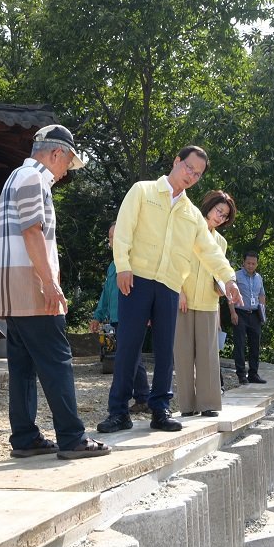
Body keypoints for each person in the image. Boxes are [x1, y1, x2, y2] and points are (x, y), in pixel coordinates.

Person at [97, 146, 241, 434]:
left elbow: (209, 250)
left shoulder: (192, 214)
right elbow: (124, 228)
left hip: (169, 286)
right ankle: (118, 412)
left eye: (198, 174)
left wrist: (229, 279)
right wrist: (123, 265)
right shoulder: (143, 191)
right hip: (136, 279)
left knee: (165, 350)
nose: (191, 175)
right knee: (128, 346)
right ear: (176, 161)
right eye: (189, 167)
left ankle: (160, 410)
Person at [0, 124, 111, 460]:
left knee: (23, 367)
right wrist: (50, 282)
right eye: (67, 165)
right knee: (57, 361)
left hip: (10, 287)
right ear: (57, 153)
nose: (64, 173)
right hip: (32, 285)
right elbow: (32, 232)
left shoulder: (15, 177)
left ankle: (25, 436)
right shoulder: (33, 178)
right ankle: (72, 438)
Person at [174, 190, 236, 417]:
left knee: (209, 355)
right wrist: (178, 291)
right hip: (183, 300)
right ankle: (187, 406)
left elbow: (218, 272)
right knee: (183, 353)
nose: (220, 217)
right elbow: (175, 260)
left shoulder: (221, 241)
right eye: (219, 211)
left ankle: (208, 404)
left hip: (209, 303)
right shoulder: (188, 227)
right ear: (209, 206)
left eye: (225, 215)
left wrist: (221, 288)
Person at [89, 221, 150, 414]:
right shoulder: (112, 266)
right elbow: (106, 293)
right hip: (117, 317)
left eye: (114, 236)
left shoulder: (136, 262)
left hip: (134, 316)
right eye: (109, 237)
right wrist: (97, 316)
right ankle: (142, 397)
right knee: (131, 357)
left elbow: (147, 292)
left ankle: (140, 398)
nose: (111, 241)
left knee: (131, 357)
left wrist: (149, 314)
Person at [230, 251, 267, 384]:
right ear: (243, 263)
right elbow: (230, 295)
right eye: (248, 263)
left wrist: (263, 312)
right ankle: (241, 375)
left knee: (255, 345)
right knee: (240, 344)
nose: (251, 266)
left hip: (255, 314)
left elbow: (262, 295)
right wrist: (232, 312)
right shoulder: (236, 276)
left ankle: (253, 374)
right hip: (240, 312)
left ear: (257, 264)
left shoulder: (259, 278)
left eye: (253, 263)